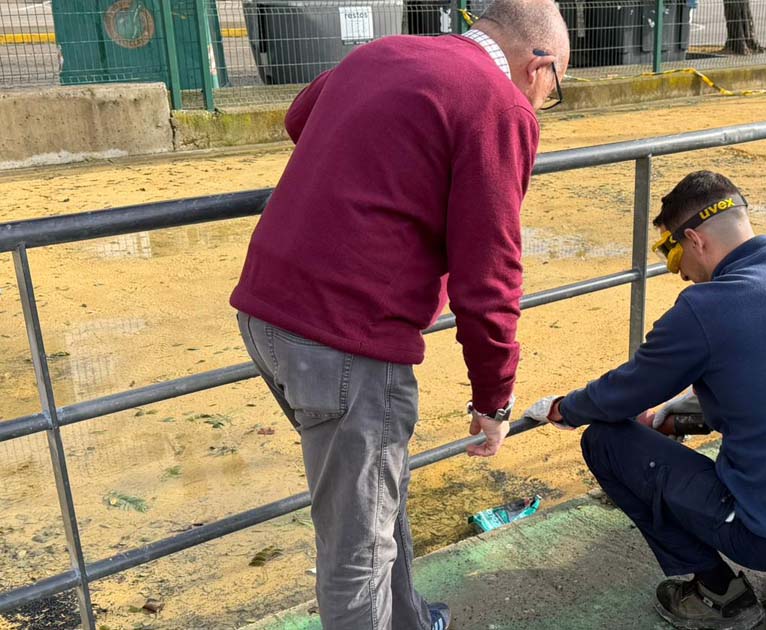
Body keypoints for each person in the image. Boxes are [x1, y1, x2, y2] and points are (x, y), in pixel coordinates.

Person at [229, 3, 570, 628]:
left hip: (265, 310)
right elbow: (490, 271)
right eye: (555, 90)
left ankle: (410, 619)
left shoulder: (386, 51)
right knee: (357, 549)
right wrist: (494, 398)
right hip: (346, 338)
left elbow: (298, 117)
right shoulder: (502, 105)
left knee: (375, 499)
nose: (544, 102)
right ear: (539, 64)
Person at [523, 171, 766, 630]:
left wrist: (562, 408)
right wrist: (674, 415)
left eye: (675, 257)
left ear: (694, 240)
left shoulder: (705, 307)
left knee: (604, 442)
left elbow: (618, 397)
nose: (680, 273)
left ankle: (718, 591)